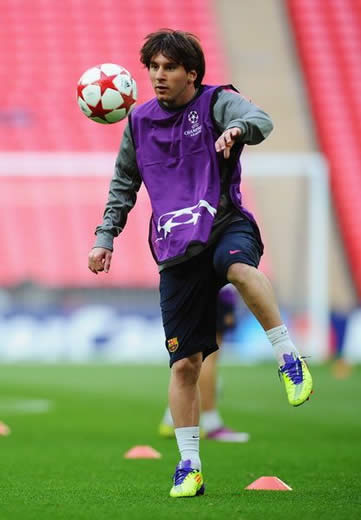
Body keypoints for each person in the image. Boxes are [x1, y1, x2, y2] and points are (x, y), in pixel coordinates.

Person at [88, 29, 313, 498]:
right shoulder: (138, 122)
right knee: (185, 365)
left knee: (238, 268)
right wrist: (105, 236)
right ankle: (189, 466)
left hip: (225, 224)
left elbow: (260, 119)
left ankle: (288, 356)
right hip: (174, 249)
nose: (158, 76)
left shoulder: (216, 102)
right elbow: (123, 185)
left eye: (169, 67)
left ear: (191, 73)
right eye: (153, 67)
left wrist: (238, 129)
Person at [159, 284, 250, 443]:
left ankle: (172, 418)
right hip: (215, 288)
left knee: (191, 353)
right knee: (208, 355)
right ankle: (211, 423)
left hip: (187, 286)